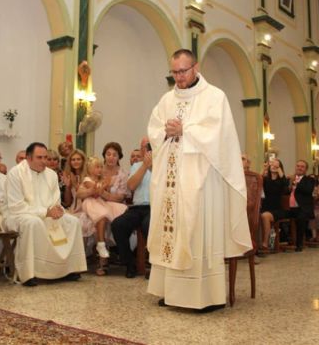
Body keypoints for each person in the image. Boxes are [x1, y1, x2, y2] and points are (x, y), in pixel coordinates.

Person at [147, 49, 252, 312]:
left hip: (202, 180)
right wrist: (164, 132)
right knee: (171, 230)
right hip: (171, 179)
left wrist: (185, 130)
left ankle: (205, 296)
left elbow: (220, 135)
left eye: (183, 71)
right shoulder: (166, 100)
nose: (179, 77)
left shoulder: (215, 97)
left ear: (196, 67)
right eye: (174, 72)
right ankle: (169, 292)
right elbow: (154, 130)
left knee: (195, 231)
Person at [4, 142, 87, 286]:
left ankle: (70, 269)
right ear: (29, 158)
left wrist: (55, 209)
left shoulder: (50, 174)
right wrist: (45, 212)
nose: (44, 161)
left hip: (47, 212)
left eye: (45, 157)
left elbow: (55, 199)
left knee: (73, 221)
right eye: (39, 157)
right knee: (33, 222)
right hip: (17, 214)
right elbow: (16, 205)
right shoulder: (15, 173)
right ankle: (30, 273)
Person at [78, 156, 127, 275]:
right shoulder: (87, 179)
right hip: (90, 204)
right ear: (89, 169)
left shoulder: (101, 180)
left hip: (100, 203)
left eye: (101, 167)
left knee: (111, 214)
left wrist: (106, 185)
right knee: (102, 215)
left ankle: (103, 253)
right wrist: (105, 185)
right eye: (97, 167)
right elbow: (96, 192)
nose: (100, 169)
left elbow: (104, 195)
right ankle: (100, 245)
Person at [112, 137, 152, 278]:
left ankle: (153, 266)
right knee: (118, 225)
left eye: (147, 146)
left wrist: (152, 165)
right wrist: (145, 166)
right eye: (143, 147)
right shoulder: (137, 166)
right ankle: (130, 263)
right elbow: (131, 186)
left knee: (149, 225)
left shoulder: (163, 163)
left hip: (154, 208)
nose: (145, 150)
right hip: (137, 208)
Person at [285, 160, 317, 252]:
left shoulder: (310, 180)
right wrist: (290, 185)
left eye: (302, 166)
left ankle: (299, 244)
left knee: (300, 219)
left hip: (303, 208)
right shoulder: (290, 179)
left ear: (306, 169)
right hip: (289, 207)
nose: (299, 168)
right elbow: (285, 191)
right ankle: (288, 240)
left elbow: (308, 190)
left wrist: (297, 184)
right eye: (298, 166)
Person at [259, 158, 289, 251]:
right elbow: (258, 180)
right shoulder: (265, 179)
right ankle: (256, 244)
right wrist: (264, 168)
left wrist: (279, 170)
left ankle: (265, 243)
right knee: (256, 215)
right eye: (272, 165)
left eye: (277, 165)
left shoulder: (281, 180)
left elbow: (286, 186)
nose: (274, 166)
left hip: (277, 209)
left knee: (265, 216)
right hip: (265, 207)